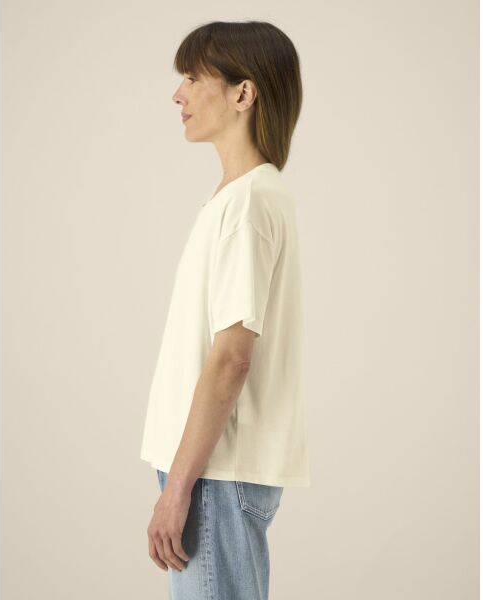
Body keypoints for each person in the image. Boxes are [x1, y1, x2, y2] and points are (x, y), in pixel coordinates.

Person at [139, 20, 310, 600]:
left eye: (193, 78)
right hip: (211, 467)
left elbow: (232, 357)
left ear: (243, 93)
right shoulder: (241, 198)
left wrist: (178, 489)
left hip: (213, 471)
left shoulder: (249, 203)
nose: (178, 93)